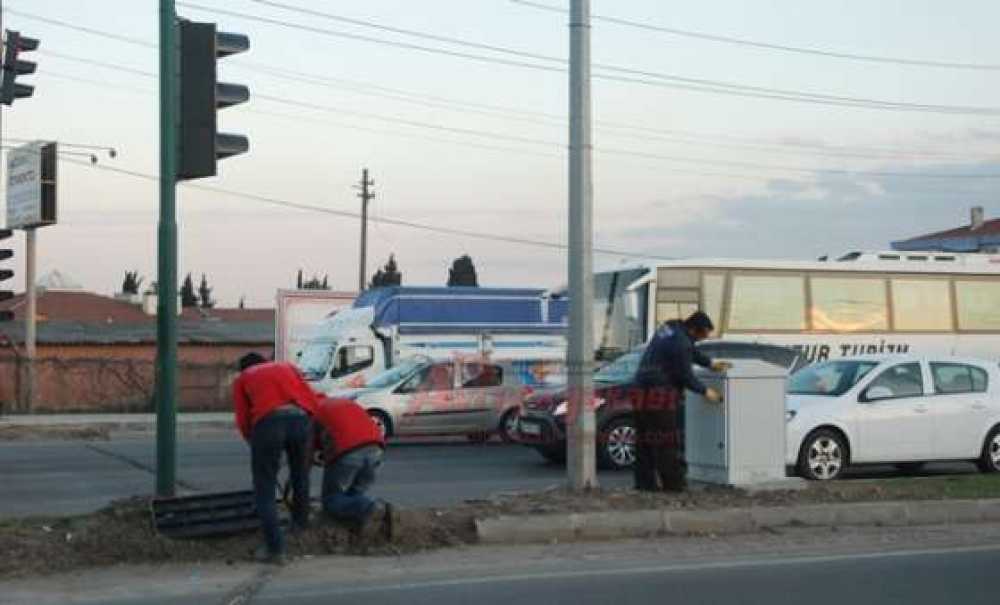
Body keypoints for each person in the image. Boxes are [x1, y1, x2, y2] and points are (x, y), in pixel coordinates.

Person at [232, 352, 319, 564]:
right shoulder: (287, 367)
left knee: (265, 486)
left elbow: (243, 417)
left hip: (268, 423)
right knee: (300, 476)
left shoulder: (243, 378)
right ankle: (300, 525)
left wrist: (254, 441)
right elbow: (311, 398)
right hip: (301, 419)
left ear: (244, 368)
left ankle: (275, 549)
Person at [633, 311, 729, 492]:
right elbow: (685, 375)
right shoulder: (681, 343)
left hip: (640, 388)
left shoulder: (670, 327)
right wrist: (706, 391)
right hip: (659, 392)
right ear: (693, 329)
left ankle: (644, 484)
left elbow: (689, 349)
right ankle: (673, 485)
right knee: (666, 440)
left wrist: (709, 363)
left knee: (644, 439)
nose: (700, 340)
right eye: (701, 336)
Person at [311, 397, 390, 538]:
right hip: (376, 447)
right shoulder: (341, 403)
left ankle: (371, 508)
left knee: (331, 500)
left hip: (349, 451)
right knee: (354, 495)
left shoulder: (313, 411)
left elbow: (308, 448)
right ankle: (360, 527)